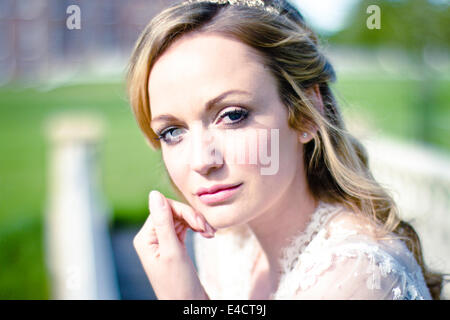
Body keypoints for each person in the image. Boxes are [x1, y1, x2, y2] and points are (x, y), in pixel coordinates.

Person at [127, 0, 442, 300]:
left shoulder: (353, 276)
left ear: (305, 113)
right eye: (172, 132)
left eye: (232, 115)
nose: (201, 161)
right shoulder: (224, 245)